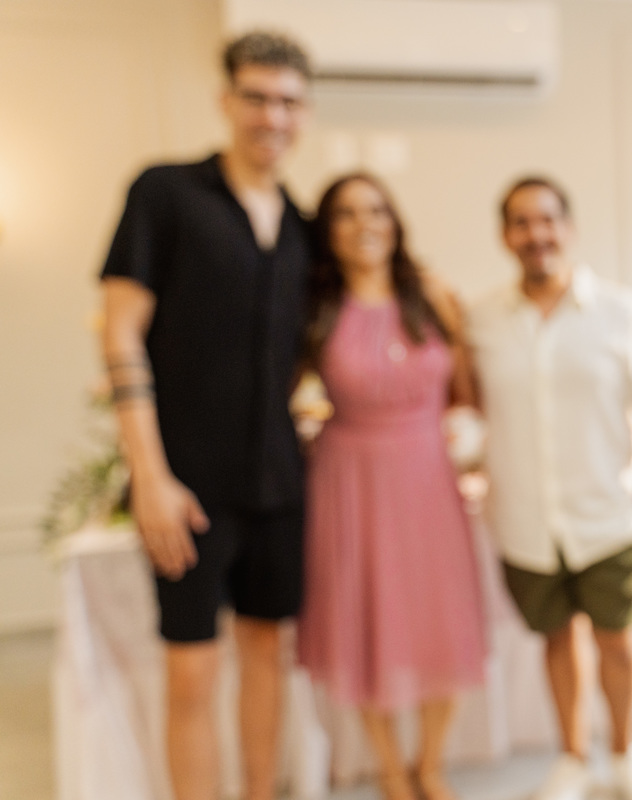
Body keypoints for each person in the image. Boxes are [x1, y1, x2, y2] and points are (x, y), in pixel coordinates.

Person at [98, 32, 313, 800]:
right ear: (227, 101)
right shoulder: (164, 193)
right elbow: (118, 328)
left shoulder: (300, 224)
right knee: (192, 673)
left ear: (305, 113)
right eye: (255, 96)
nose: (271, 115)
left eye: (288, 101)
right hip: (185, 483)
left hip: (280, 484)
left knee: (267, 654)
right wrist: (148, 477)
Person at [469, 176, 632, 800]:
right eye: (520, 222)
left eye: (547, 220)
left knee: (617, 639)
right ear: (505, 235)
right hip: (524, 520)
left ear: (568, 228)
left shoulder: (622, 311)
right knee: (555, 639)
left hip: (607, 517)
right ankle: (571, 758)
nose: (536, 234)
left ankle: (625, 754)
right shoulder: (483, 320)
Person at [296, 174, 487, 800]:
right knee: (364, 620)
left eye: (376, 209)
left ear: (395, 221)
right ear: (328, 231)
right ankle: (389, 767)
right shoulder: (314, 308)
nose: (364, 224)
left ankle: (430, 763)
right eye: (346, 214)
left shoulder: (431, 294)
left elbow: (467, 387)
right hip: (349, 478)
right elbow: (285, 393)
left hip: (429, 474)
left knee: (440, 616)